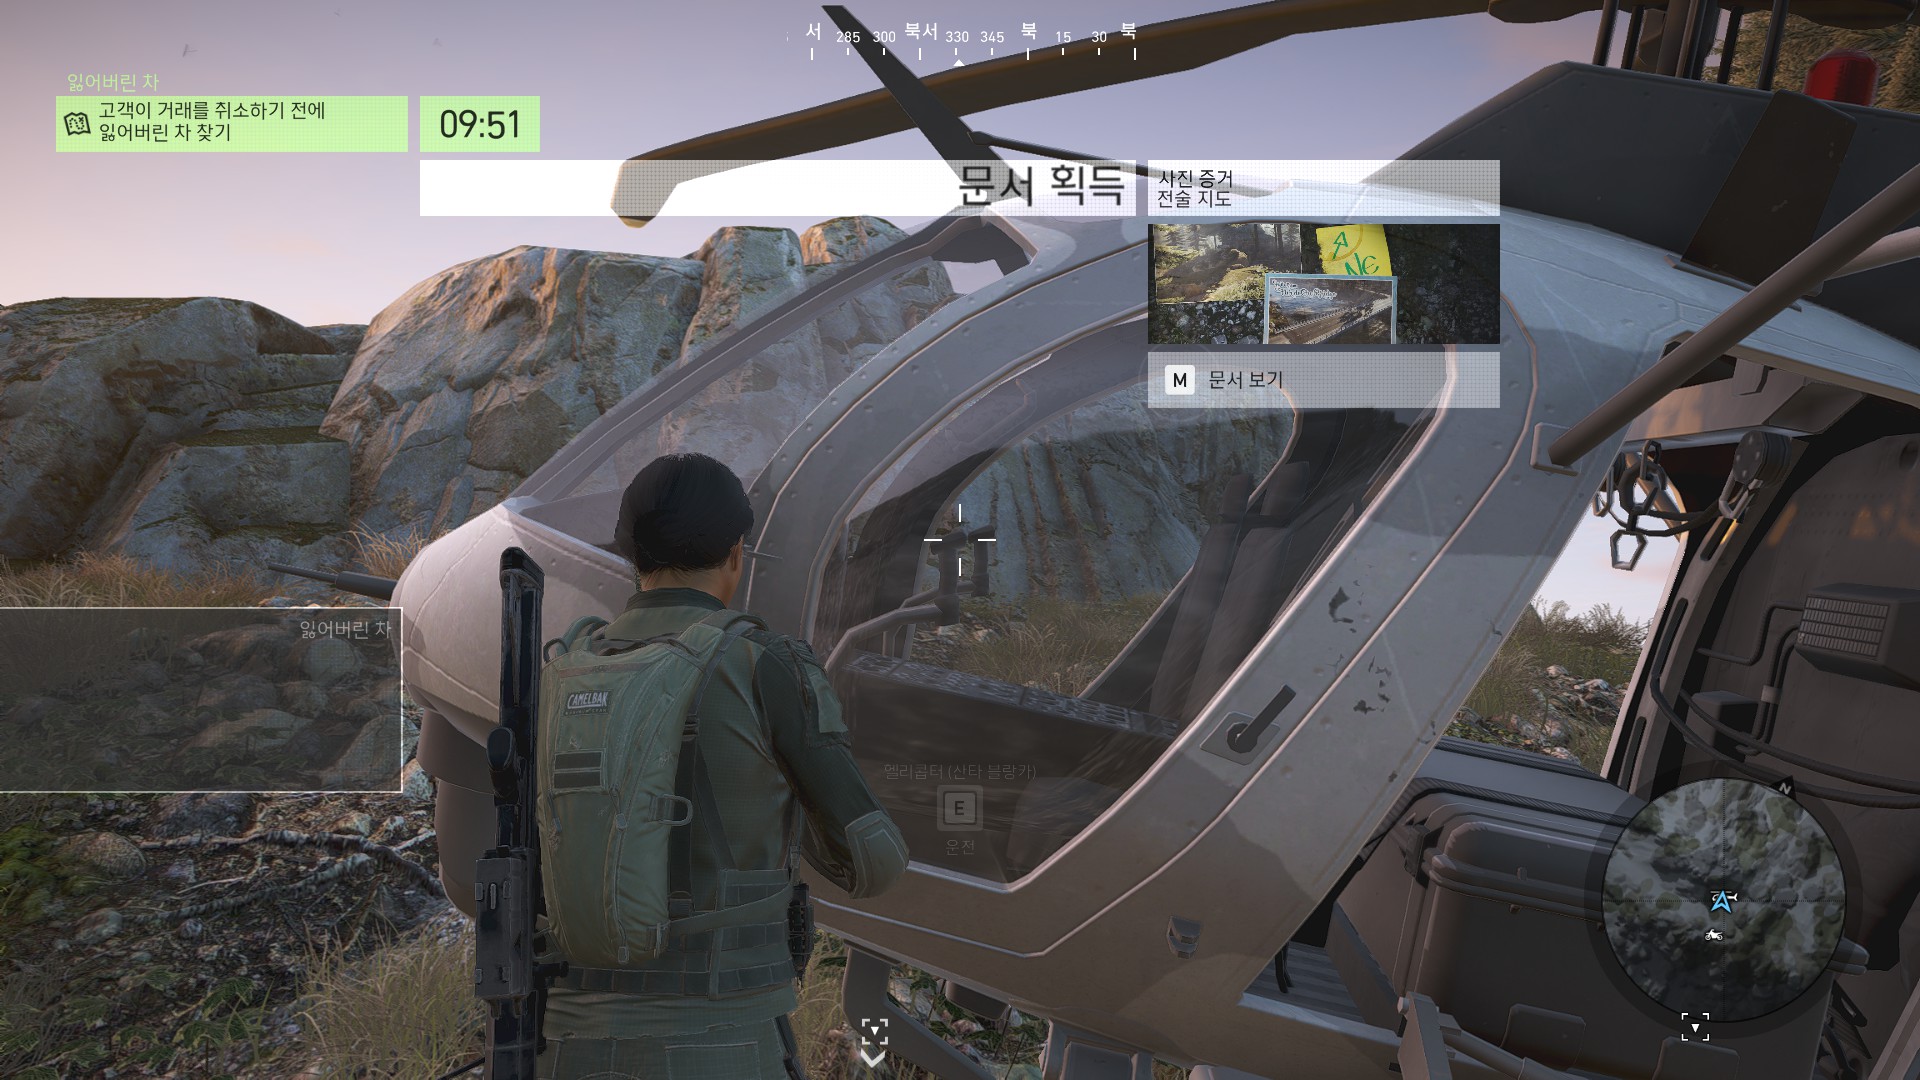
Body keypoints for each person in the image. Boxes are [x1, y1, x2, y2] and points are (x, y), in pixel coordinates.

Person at [533, 451, 908, 1080]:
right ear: (737, 552)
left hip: (564, 1044)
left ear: (631, 555)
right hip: (723, 1037)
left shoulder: (563, 671)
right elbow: (875, 862)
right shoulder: (765, 661)